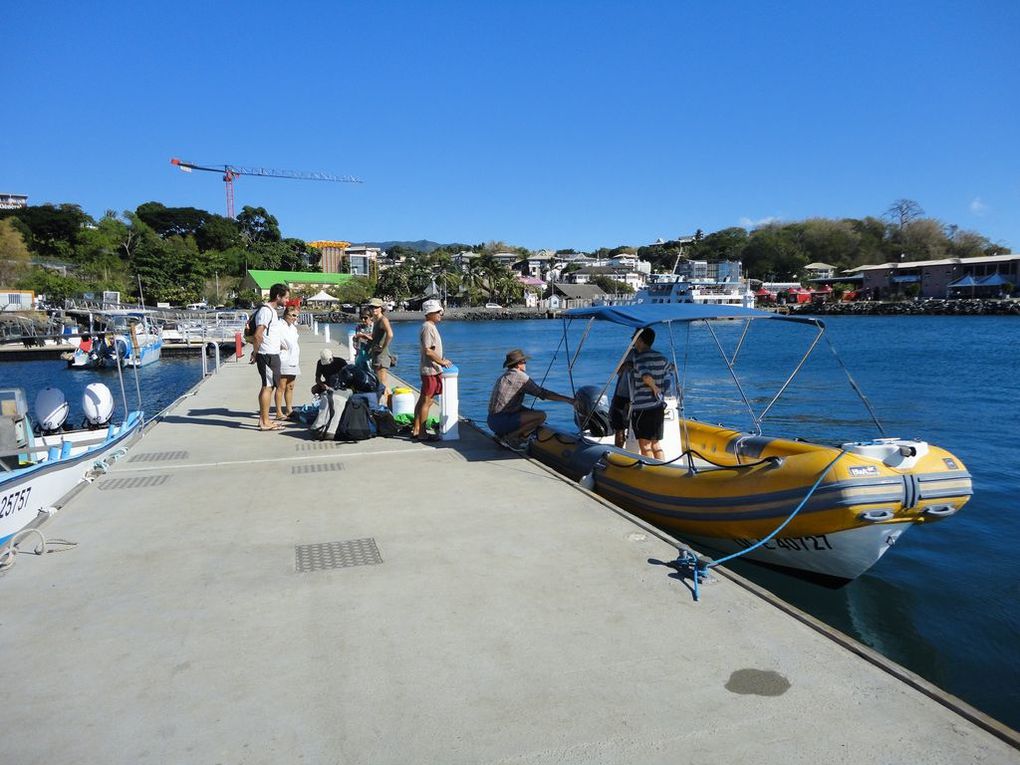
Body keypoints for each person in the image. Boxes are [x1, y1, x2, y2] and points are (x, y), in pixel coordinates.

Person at [487, 348, 574, 447]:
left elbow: (506, 404)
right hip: (501, 421)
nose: (525, 363)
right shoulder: (521, 377)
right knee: (541, 416)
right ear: (519, 363)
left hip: (491, 421)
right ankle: (511, 437)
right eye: (524, 362)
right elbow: (543, 393)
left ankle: (501, 435)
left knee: (528, 411)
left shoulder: (503, 376)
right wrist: (569, 400)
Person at [250, 283, 290, 431]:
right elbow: (258, 334)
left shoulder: (271, 311)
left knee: (271, 385)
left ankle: (265, 420)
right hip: (267, 355)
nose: (287, 301)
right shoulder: (266, 311)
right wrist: (255, 353)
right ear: (278, 296)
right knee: (267, 386)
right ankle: (264, 421)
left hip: (271, 353)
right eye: (285, 297)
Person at [629, 327, 672, 460]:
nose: (633, 342)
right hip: (658, 407)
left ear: (640, 340)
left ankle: (649, 472)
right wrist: (661, 393)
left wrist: (655, 388)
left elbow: (646, 377)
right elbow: (669, 378)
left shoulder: (639, 358)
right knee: (656, 444)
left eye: (634, 339)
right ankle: (663, 470)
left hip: (643, 408)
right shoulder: (662, 358)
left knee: (645, 445)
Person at [412, 299, 452, 440]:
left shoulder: (429, 326)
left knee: (423, 399)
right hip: (431, 369)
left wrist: (441, 358)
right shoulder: (428, 327)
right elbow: (428, 350)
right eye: (437, 312)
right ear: (429, 314)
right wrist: (441, 362)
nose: (440, 314)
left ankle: (417, 428)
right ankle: (422, 433)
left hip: (431, 368)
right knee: (427, 402)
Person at [275, 307, 301, 420]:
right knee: (281, 386)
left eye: (296, 316)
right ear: (286, 314)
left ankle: (289, 409)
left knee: (290, 386)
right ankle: (278, 412)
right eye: (292, 315)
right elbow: (271, 337)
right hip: (283, 358)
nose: (294, 318)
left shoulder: (293, 328)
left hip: (294, 359)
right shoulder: (278, 325)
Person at [367, 297, 394, 399]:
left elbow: (390, 334)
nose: (374, 309)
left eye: (376, 307)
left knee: (383, 385)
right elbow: (375, 336)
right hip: (376, 355)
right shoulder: (376, 320)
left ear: (381, 308)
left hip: (381, 356)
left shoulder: (383, 320)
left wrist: (383, 346)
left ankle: (388, 409)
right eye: (372, 307)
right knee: (379, 383)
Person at [609, 349, 634, 448]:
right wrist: (625, 366)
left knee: (621, 427)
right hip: (623, 394)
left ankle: (620, 449)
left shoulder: (640, 355)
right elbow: (618, 372)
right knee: (619, 426)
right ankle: (619, 449)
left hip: (630, 395)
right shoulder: (629, 352)